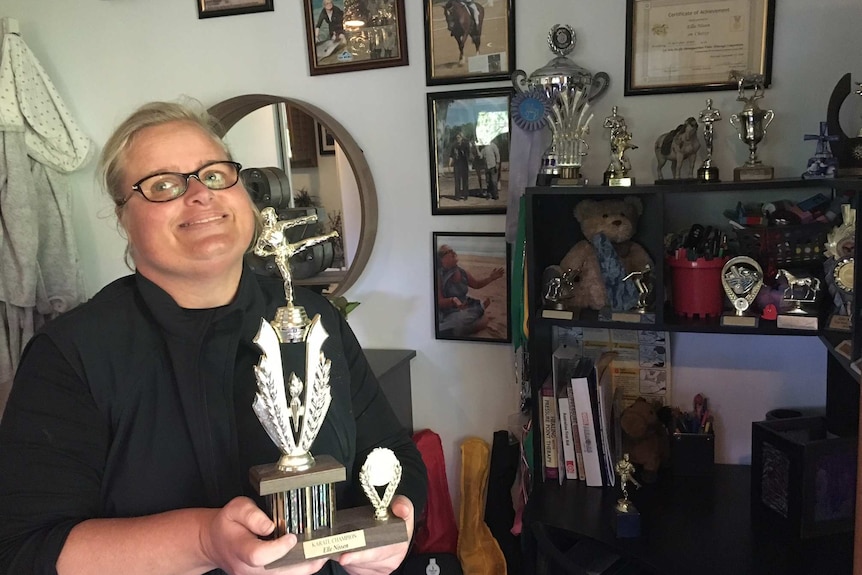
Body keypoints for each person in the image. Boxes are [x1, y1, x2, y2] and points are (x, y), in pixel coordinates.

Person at [0, 101, 427, 575]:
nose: (200, 194)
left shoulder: (312, 318)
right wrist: (203, 540)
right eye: (163, 185)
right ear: (123, 216)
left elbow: (392, 451)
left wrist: (396, 519)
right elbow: (23, 551)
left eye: (215, 174)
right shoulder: (72, 354)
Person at [436, 244, 503, 336]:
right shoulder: (438, 276)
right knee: (456, 323)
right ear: (441, 259)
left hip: (465, 305)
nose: (453, 252)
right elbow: (439, 301)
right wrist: (453, 300)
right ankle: (480, 310)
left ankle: (478, 311)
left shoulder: (462, 272)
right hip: (448, 311)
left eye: (452, 250)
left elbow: (476, 284)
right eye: (448, 252)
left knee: (469, 320)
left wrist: (491, 278)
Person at [447, 132, 471, 201]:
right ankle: (457, 196)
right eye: (457, 138)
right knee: (457, 181)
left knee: (465, 180)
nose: (458, 139)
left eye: (459, 137)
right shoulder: (454, 146)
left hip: (464, 164)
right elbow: (451, 155)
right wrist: (449, 164)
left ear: (462, 138)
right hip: (457, 165)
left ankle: (465, 195)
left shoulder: (465, 145)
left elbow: (468, 154)